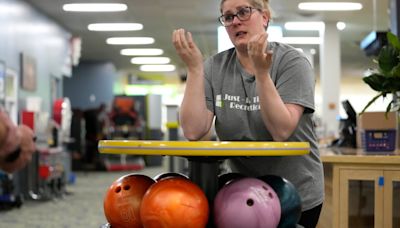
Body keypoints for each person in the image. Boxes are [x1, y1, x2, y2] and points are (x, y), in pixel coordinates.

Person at [172, 0, 324, 227]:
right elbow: (194, 130)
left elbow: (281, 130)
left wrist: (262, 74)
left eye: (243, 12)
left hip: (294, 194)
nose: (235, 22)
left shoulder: (292, 62)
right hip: (242, 196)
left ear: (265, 17)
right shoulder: (215, 67)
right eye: (228, 17)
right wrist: (195, 70)